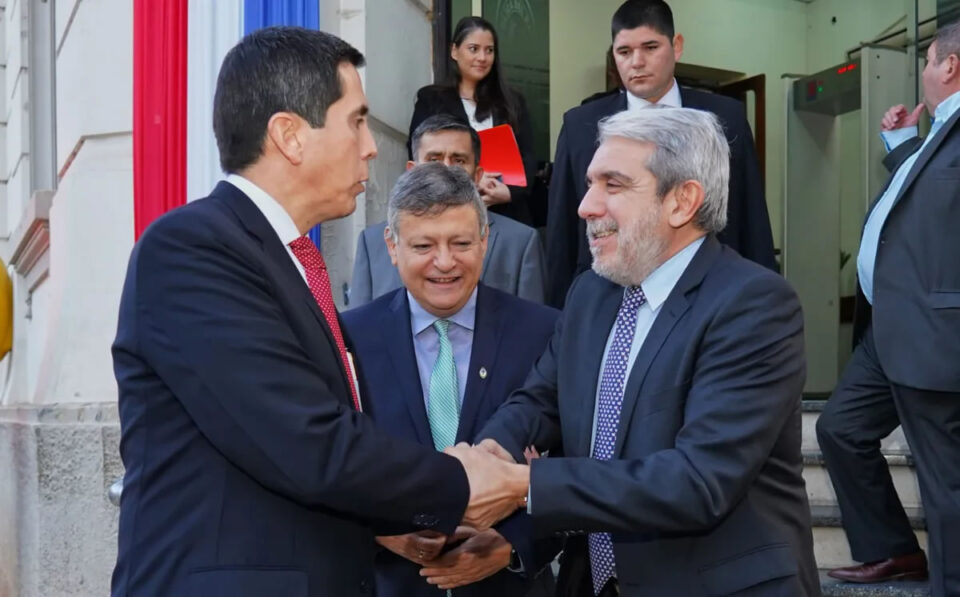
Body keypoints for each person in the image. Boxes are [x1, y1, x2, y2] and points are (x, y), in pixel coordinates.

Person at [110, 27, 523, 597]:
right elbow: (305, 441)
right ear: (290, 136)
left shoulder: (289, 259)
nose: (371, 145)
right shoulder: (192, 249)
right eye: (356, 121)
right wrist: (463, 481)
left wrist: (391, 520)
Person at [464, 107, 820, 596]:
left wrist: (522, 485)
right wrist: (491, 450)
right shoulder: (591, 292)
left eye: (612, 185)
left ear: (682, 201)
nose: (585, 206)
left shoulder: (753, 304)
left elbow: (698, 481)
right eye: (590, 184)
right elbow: (541, 399)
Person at [342, 163, 558, 597]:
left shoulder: (545, 331)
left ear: (484, 241)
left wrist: (514, 543)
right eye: (424, 245)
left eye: (461, 243)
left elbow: (580, 460)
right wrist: (379, 532)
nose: (444, 262)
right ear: (392, 246)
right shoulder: (349, 339)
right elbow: (327, 462)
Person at [815, 21, 960, 597]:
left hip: (935, 332)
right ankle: (894, 550)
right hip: (889, 329)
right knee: (840, 429)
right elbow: (929, 199)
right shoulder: (940, 132)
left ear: (949, 65)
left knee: (945, 480)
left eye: (927, 61)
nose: (923, 72)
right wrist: (902, 143)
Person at [544, 0, 776, 307]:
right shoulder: (581, 126)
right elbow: (561, 232)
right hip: (609, 295)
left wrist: (763, 299)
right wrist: (559, 315)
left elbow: (751, 216)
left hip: (710, 295)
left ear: (676, 46)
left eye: (650, 47)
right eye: (624, 52)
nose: (637, 62)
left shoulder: (725, 118)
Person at [351, 115, 546, 306]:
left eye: (459, 160)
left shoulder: (520, 243)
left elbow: (533, 323)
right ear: (412, 170)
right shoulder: (373, 242)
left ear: (478, 174)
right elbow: (358, 324)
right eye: (433, 159)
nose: (445, 170)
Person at [408, 16, 536, 225]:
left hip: (506, 213)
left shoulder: (512, 102)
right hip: (447, 212)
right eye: (473, 49)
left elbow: (528, 157)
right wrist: (472, 179)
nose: (482, 57)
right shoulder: (431, 99)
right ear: (454, 51)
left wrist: (509, 192)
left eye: (489, 50)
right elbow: (419, 155)